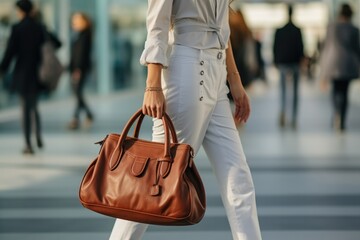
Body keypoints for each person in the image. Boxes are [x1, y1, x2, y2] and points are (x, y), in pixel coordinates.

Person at [109, 1, 262, 240]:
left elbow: (221, 25)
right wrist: (153, 85)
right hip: (187, 72)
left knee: (239, 181)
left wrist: (234, 80)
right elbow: (157, 24)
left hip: (217, 76)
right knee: (153, 180)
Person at [0, 0, 45, 154]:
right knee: (34, 107)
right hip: (37, 72)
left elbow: (10, 52)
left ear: (20, 11)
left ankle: (28, 144)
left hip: (22, 72)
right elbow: (55, 43)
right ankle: (38, 135)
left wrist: (2, 69)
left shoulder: (17, 28)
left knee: (24, 109)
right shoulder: (39, 27)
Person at [319, 3, 360, 132]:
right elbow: (357, 49)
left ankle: (336, 112)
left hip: (333, 64)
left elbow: (325, 49)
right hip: (348, 65)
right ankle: (341, 117)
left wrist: (323, 71)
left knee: (336, 91)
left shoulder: (331, 27)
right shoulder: (354, 29)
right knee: (345, 92)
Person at [273, 4, 304, 129]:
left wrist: (276, 61)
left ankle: (283, 112)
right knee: (295, 92)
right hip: (295, 63)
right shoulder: (297, 30)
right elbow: (301, 47)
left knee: (283, 91)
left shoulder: (280, 30)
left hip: (283, 63)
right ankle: (294, 118)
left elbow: (275, 47)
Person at [68, 12, 93, 130]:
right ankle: (84, 116)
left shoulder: (85, 35)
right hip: (77, 68)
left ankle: (77, 118)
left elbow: (81, 55)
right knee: (78, 93)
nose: (74, 23)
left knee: (77, 92)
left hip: (80, 69)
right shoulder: (78, 35)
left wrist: (77, 69)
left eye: (77, 20)